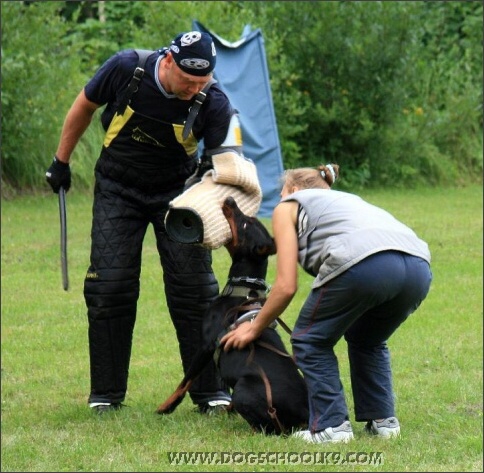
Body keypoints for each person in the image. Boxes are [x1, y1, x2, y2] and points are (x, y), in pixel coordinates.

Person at [45, 31, 243, 414]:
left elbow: (229, 163)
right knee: (110, 286)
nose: (193, 90)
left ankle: (211, 393)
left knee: (195, 290)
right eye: (188, 81)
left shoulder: (215, 100)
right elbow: (84, 106)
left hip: (179, 195)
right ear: (168, 61)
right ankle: (106, 395)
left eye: (201, 83)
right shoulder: (126, 68)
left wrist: (220, 200)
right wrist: (61, 161)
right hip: (118, 188)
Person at [221, 163, 432, 443]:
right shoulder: (347, 200)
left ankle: (332, 427)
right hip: (418, 266)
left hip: (365, 263)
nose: (280, 199)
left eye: (282, 192)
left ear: (294, 190)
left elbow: (285, 286)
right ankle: (384, 423)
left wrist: (254, 327)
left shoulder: (287, 207)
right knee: (367, 339)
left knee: (310, 340)